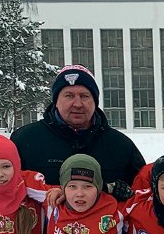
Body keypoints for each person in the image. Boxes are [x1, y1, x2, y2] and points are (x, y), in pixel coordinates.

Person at [11, 65, 146, 187]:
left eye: (84, 96)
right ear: (56, 101)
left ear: (95, 101)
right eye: (69, 96)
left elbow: (143, 196)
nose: (77, 104)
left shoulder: (121, 146)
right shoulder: (25, 140)